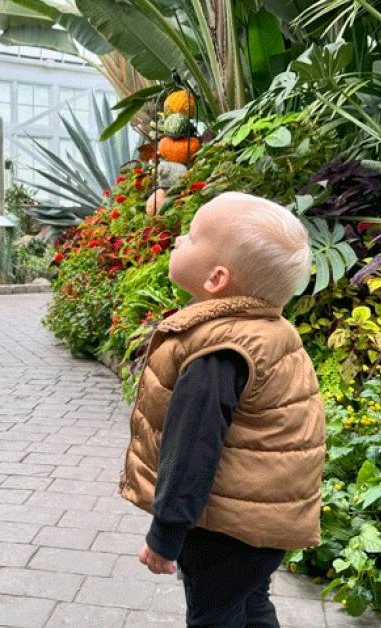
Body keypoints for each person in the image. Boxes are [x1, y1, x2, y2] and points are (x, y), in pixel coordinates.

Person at [118, 191, 326, 627]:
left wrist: (165, 535)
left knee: (214, 616)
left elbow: (192, 448)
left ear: (217, 279)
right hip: (264, 523)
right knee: (249, 604)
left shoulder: (219, 350)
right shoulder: (271, 332)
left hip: (224, 529)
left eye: (191, 236)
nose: (177, 239)